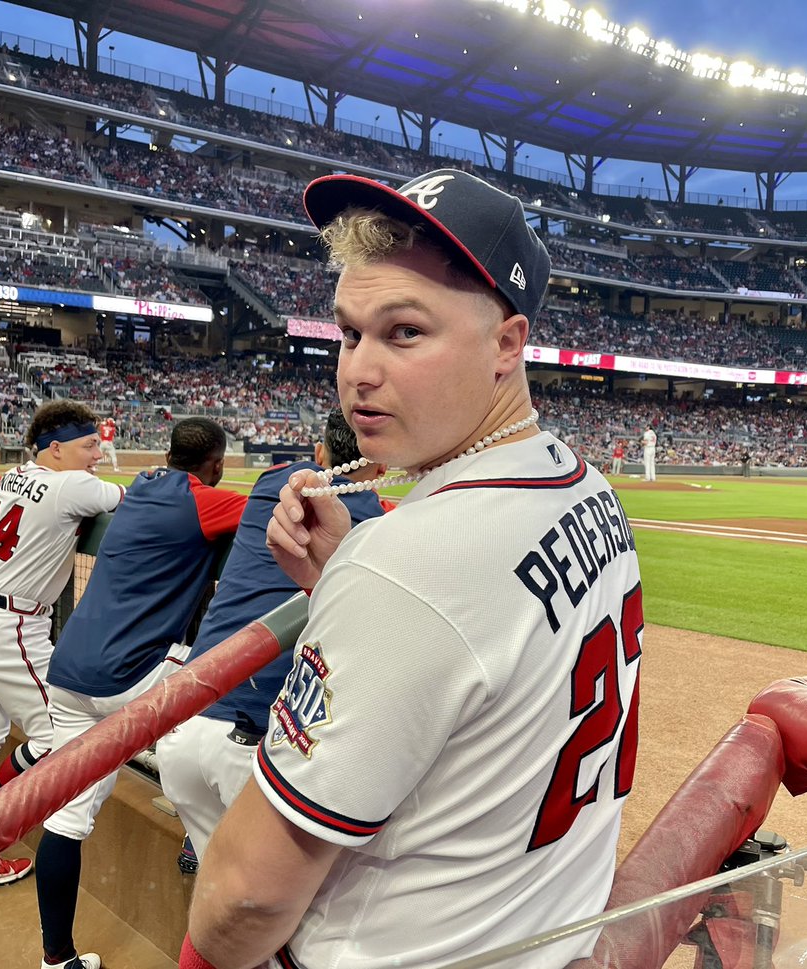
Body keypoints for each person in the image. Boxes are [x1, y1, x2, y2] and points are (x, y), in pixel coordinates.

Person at [184, 168, 644, 969]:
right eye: (350, 332)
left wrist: (364, 586)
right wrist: (338, 587)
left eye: (404, 332)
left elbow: (246, 896)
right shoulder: (584, 482)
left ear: (507, 343)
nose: (358, 371)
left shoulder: (404, 561)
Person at [35, 418, 248, 969]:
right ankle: (198, 825)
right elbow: (270, 512)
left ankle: (56, 958)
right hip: (127, 678)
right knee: (218, 683)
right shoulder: (204, 500)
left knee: (67, 817)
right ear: (217, 463)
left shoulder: (139, 489)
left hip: (68, 667)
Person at [156, 409, 386, 863]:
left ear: (319, 452)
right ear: (380, 470)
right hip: (260, 746)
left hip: (184, 724)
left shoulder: (269, 486)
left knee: (217, 901)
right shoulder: (377, 526)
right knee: (278, 921)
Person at [0, 401, 123, 890]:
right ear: (56, 449)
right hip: (8, 626)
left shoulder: (15, 473)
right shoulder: (72, 484)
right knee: (58, 738)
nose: (97, 453)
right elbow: (128, 500)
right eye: (88, 446)